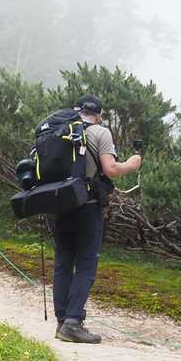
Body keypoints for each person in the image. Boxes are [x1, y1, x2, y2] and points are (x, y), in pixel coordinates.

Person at [52, 95, 143, 344]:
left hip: (61, 204)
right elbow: (110, 170)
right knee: (86, 263)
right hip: (88, 206)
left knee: (63, 263)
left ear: (77, 110)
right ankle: (72, 323)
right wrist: (132, 164)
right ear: (99, 114)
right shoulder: (100, 132)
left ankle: (62, 321)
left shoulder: (61, 130)